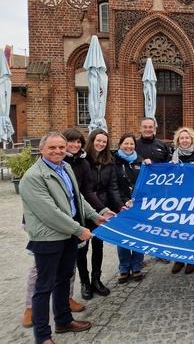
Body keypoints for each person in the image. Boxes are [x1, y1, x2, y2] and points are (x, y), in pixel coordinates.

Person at [20, 131, 115, 344]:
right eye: (52, 148)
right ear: (41, 149)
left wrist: (95, 216)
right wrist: (79, 229)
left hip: (68, 234)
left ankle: (63, 321)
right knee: (44, 287)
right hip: (48, 238)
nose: (58, 151)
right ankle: (43, 336)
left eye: (61, 147)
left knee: (63, 279)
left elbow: (77, 198)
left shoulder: (66, 167)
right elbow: (49, 212)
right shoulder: (33, 177)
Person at [81, 128, 125, 299]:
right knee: (82, 248)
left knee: (98, 246)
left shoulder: (109, 161)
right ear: (91, 141)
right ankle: (85, 282)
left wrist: (120, 207)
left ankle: (96, 280)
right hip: (86, 209)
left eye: (104, 142)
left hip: (103, 208)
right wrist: (99, 208)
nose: (100, 144)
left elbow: (113, 187)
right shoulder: (83, 161)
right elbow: (85, 190)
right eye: (98, 140)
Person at [113, 133, 149, 283]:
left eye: (131, 144)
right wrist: (121, 203)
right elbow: (112, 184)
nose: (129, 146)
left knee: (138, 236)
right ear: (120, 144)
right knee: (123, 238)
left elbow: (147, 183)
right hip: (121, 204)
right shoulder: (113, 161)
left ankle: (136, 266)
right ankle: (124, 267)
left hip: (138, 204)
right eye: (126, 143)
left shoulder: (141, 162)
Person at [169, 127, 194, 275]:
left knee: (193, 228)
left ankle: (192, 259)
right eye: (181, 138)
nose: (184, 140)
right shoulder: (172, 156)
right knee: (178, 229)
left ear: (191, 140)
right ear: (178, 141)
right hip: (177, 198)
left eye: (187, 138)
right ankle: (179, 258)